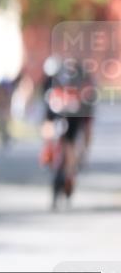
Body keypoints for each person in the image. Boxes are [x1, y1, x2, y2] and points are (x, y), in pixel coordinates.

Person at [40, 56, 96, 204]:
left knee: (71, 143)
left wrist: (84, 149)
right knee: (49, 128)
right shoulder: (52, 81)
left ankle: (71, 172)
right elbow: (47, 113)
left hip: (77, 117)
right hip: (59, 113)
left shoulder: (85, 85)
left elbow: (87, 121)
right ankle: (48, 153)